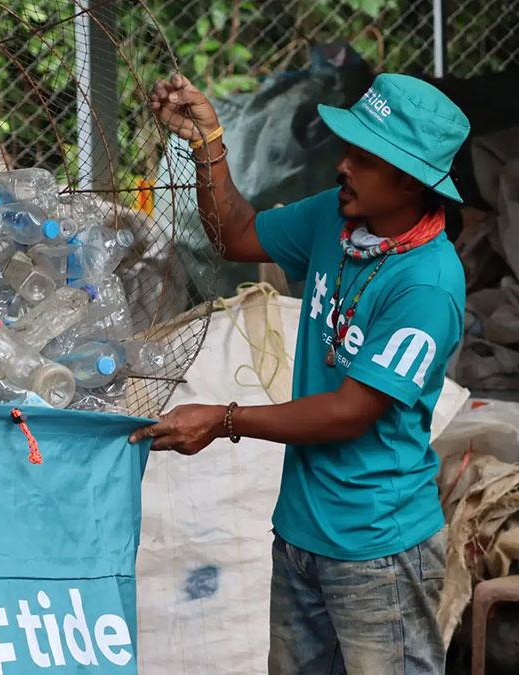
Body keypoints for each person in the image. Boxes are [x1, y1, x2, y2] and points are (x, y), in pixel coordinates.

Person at [137, 72, 468, 674]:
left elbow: (350, 411)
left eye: (364, 158)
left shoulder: (428, 283)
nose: (342, 166)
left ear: (413, 181)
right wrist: (208, 141)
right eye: (348, 149)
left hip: (378, 548)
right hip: (299, 534)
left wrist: (224, 418)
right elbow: (233, 234)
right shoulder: (336, 219)